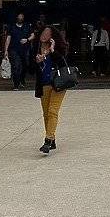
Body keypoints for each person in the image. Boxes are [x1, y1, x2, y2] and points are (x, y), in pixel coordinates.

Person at [34, 25, 69, 154]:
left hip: (58, 83)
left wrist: (52, 51)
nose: (45, 35)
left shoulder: (59, 48)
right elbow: (30, 69)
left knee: (53, 110)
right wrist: (37, 61)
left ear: (52, 36)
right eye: (43, 32)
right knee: (46, 113)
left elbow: (63, 63)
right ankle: (52, 138)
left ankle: (48, 140)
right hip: (44, 84)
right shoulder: (36, 48)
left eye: (48, 33)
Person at [4, 13, 34, 90]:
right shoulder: (11, 27)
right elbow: (8, 38)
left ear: (23, 18)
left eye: (22, 17)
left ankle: (22, 79)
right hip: (14, 50)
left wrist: (27, 40)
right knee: (16, 66)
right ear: (16, 17)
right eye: (19, 17)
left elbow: (33, 35)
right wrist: (6, 50)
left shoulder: (27, 26)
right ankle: (16, 84)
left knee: (25, 65)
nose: (20, 18)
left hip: (25, 49)